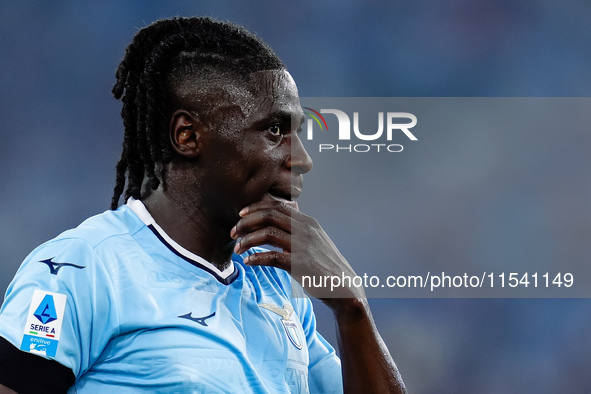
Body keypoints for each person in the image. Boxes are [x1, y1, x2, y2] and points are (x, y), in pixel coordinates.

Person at [0, 17, 406, 393]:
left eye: (297, 132)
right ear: (188, 136)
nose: (302, 158)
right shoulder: (81, 268)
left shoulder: (274, 281)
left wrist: (352, 309)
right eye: (274, 130)